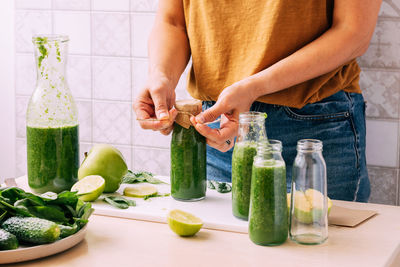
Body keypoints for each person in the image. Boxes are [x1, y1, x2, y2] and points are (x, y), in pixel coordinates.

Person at [133, 0, 382, 202]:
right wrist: (161, 76)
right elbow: (173, 21)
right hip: (218, 133)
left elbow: (354, 31)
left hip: (312, 131)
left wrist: (254, 87)